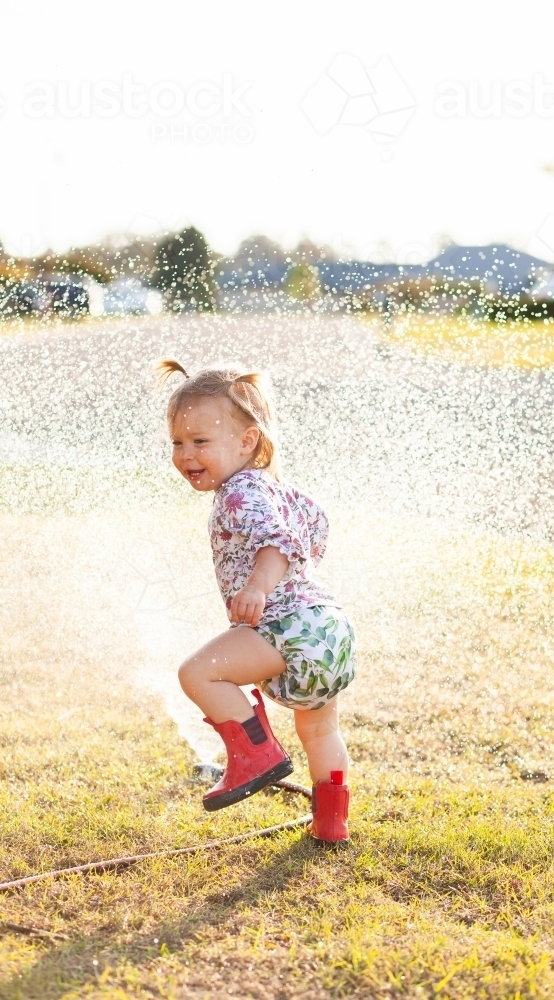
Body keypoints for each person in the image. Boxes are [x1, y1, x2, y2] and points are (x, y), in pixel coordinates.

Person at [155, 359, 356, 843]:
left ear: (246, 442)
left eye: (201, 441)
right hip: (331, 631)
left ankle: (256, 755)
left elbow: (279, 541)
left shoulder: (240, 493)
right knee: (320, 730)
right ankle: (331, 822)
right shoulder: (277, 490)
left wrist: (258, 587)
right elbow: (314, 525)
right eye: (178, 443)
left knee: (197, 673)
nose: (187, 454)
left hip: (289, 628)